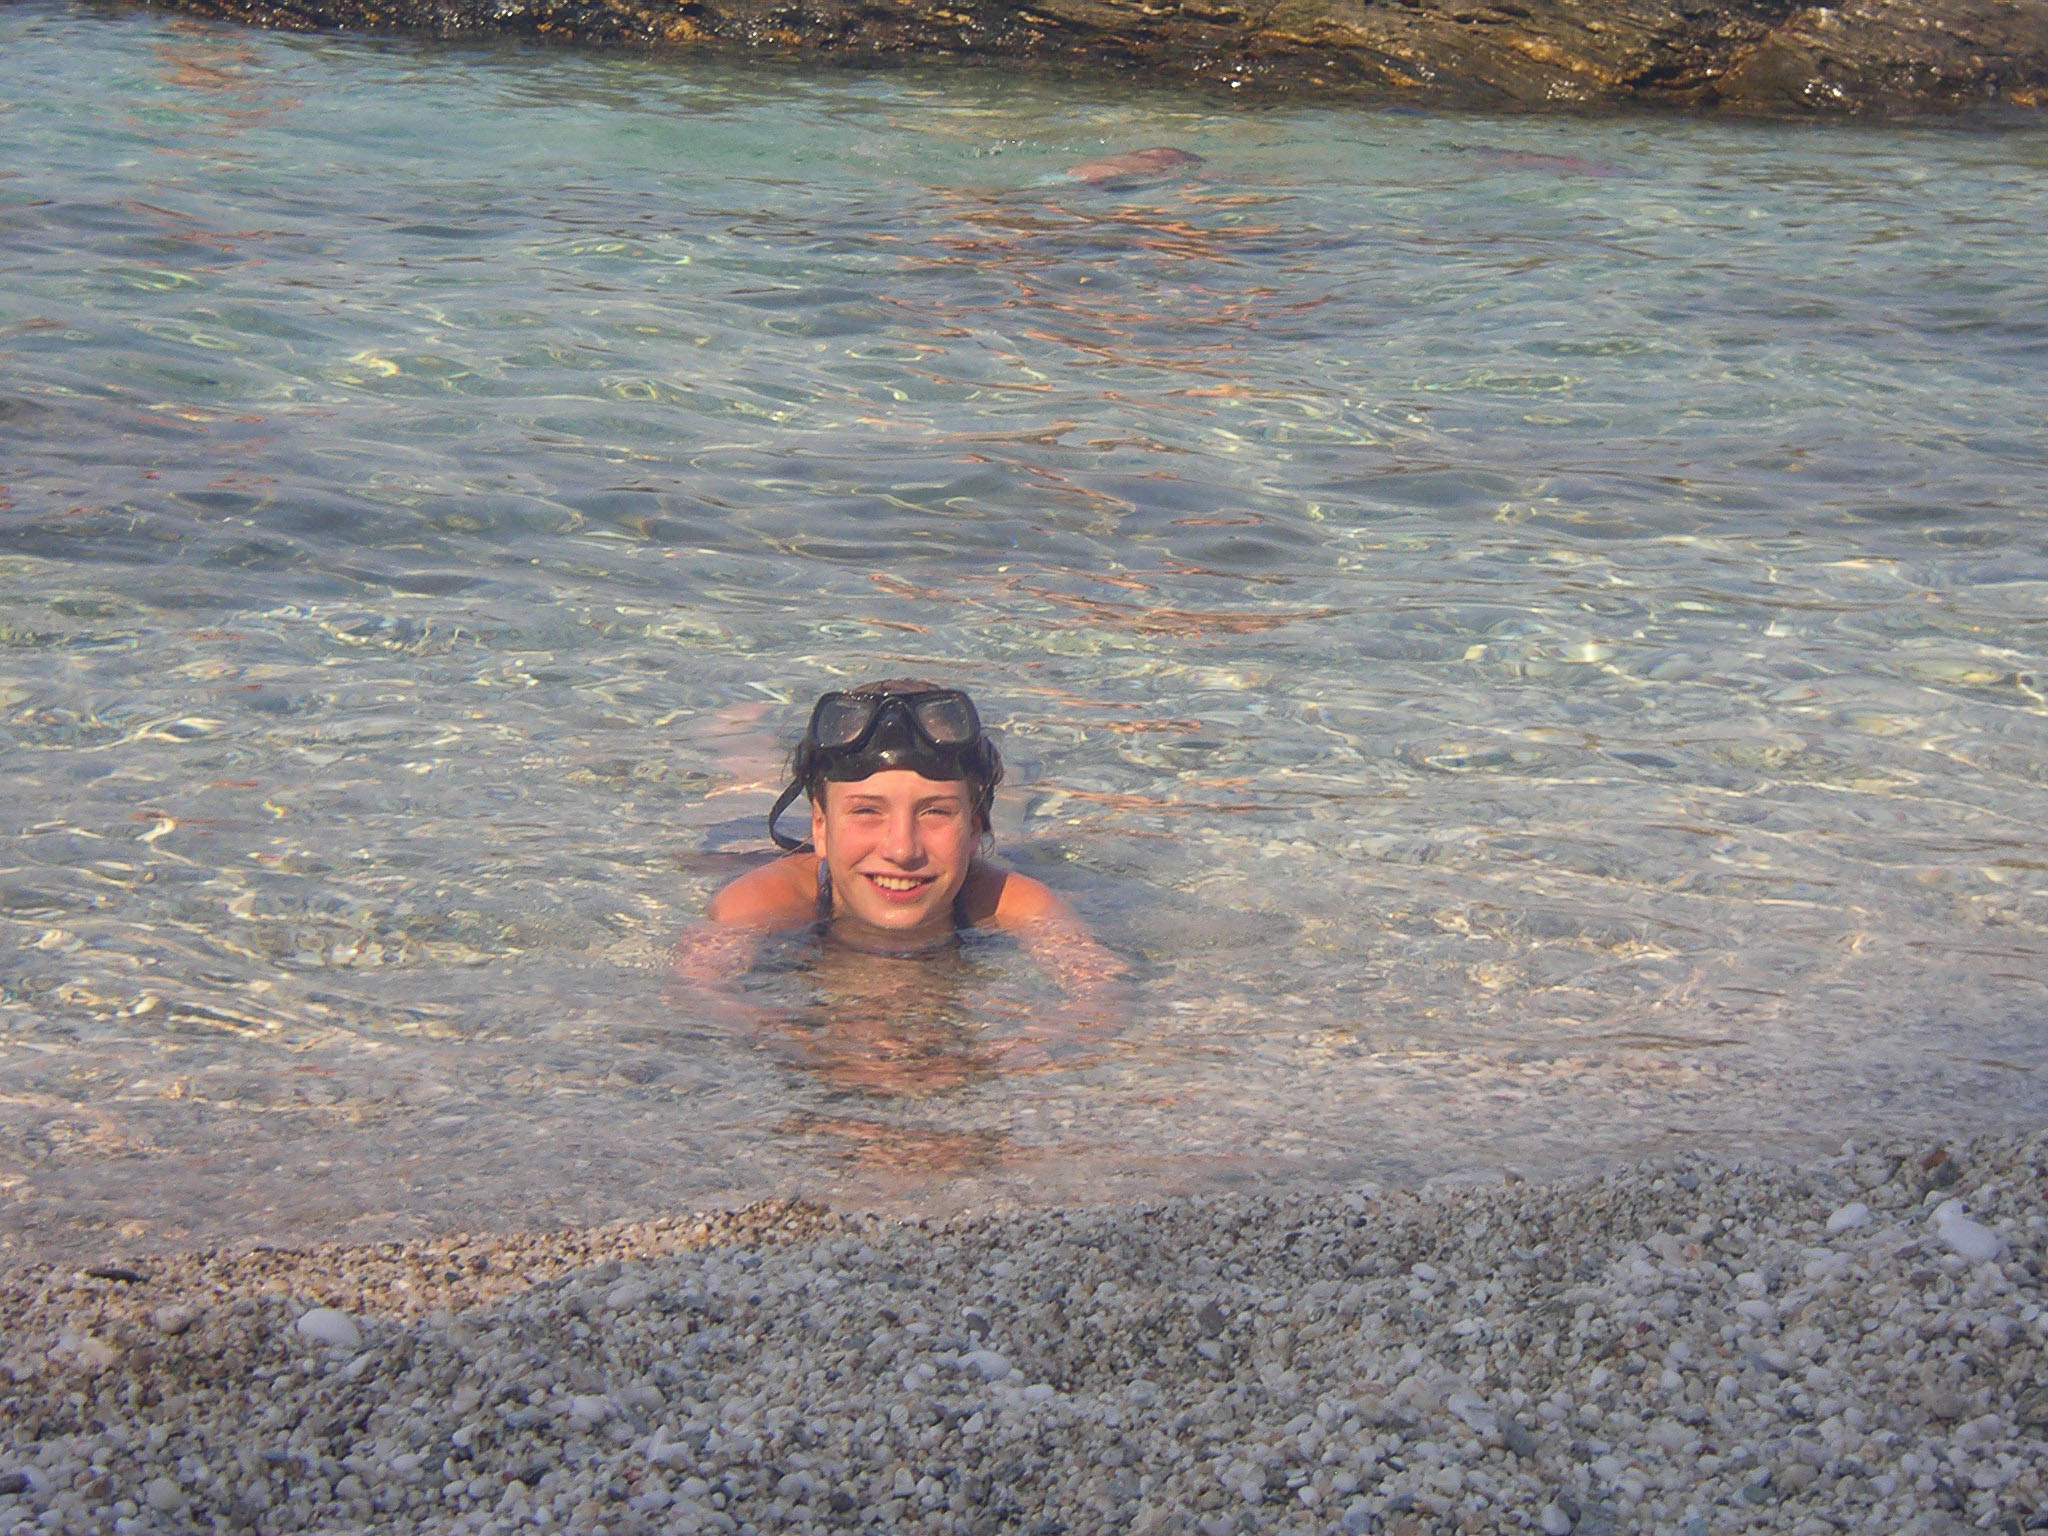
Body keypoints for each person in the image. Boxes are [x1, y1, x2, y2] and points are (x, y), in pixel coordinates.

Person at [674, 679, 1124, 1068]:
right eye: (867, 811)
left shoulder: (1007, 900)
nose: (902, 850)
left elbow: (1105, 990)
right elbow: (695, 988)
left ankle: (1008, 785)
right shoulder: (766, 899)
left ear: (974, 829)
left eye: (935, 812)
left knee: (1012, 814)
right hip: (746, 847)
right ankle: (737, 743)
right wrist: (791, 1041)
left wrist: (1022, 1050)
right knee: (737, 807)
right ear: (821, 827)